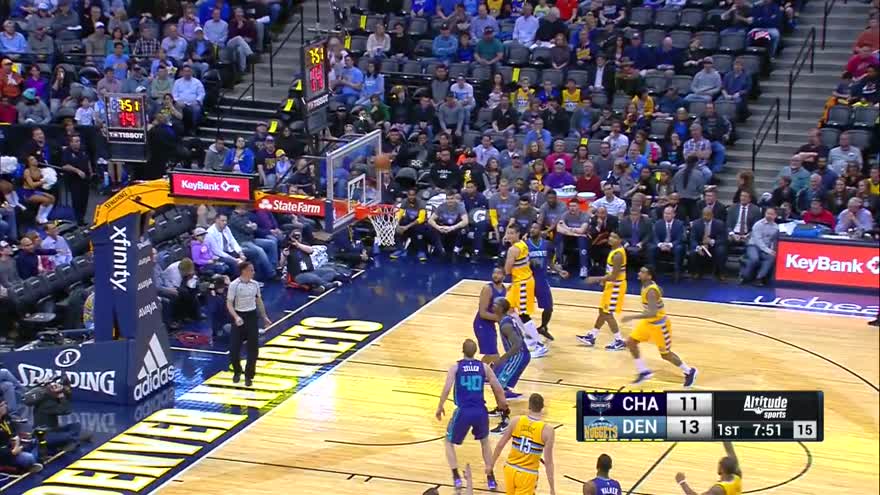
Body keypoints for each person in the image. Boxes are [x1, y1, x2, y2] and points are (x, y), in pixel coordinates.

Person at [435, 338, 507, 491]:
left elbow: (447, 388)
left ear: (462, 351)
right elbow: (498, 388)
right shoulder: (484, 367)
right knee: (485, 442)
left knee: (448, 442)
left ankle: (456, 477)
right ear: (475, 352)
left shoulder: (456, 367)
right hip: (480, 410)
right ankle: (491, 478)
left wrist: (440, 406)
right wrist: (503, 405)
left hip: (463, 411)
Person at [622, 266, 698, 386]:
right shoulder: (647, 285)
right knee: (631, 342)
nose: (639, 273)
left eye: (643, 272)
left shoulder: (651, 291)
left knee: (665, 355)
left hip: (660, 326)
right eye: (640, 271)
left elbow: (652, 313)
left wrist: (631, 317)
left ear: (649, 276)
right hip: (648, 323)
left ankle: (689, 371)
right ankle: (643, 371)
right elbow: (660, 291)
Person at [491, 393, 556, 495]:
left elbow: (500, 445)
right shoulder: (547, 430)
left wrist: (491, 465)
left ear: (529, 406)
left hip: (510, 469)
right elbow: (548, 462)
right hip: (527, 474)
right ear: (542, 407)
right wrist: (552, 488)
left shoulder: (516, 420)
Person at [503, 225, 547, 357]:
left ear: (518, 234)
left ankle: (539, 345)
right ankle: (529, 337)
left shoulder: (513, 249)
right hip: (519, 281)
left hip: (523, 282)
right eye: (508, 233)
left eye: (512, 233)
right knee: (508, 308)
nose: (509, 235)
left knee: (523, 314)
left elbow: (507, 270)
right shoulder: (523, 244)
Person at [226, 262, 272, 387]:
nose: (253, 272)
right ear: (244, 271)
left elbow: (259, 301)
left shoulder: (255, 284)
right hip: (239, 316)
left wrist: (264, 317)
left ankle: (249, 376)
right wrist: (236, 317)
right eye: (251, 270)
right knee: (234, 349)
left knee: (253, 349)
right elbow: (229, 303)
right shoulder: (234, 285)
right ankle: (237, 371)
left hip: (251, 316)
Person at [578, 232, 627, 351]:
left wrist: (595, 279)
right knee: (602, 310)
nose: (611, 239)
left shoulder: (618, 255)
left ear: (620, 240)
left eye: (614, 237)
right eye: (610, 236)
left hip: (616, 285)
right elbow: (610, 272)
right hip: (611, 284)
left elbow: (614, 276)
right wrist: (604, 281)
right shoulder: (613, 250)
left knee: (607, 313)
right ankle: (592, 335)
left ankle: (619, 340)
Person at [526, 222, 564, 341]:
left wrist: (559, 271)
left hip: (541, 280)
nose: (532, 230)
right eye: (531, 227)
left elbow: (550, 262)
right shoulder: (525, 245)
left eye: (535, 228)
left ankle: (543, 327)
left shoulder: (547, 244)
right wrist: (530, 263)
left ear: (541, 231)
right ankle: (528, 331)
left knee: (549, 307)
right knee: (524, 308)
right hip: (528, 279)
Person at [492, 297, 533, 404]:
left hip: (518, 355)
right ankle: (506, 391)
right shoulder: (507, 319)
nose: (492, 305)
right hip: (519, 354)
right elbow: (521, 335)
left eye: (495, 304)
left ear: (501, 309)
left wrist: (503, 358)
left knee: (498, 385)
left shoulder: (506, 325)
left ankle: (504, 401)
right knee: (497, 377)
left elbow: (517, 344)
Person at [676, 442, 741, 495]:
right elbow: (730, 452)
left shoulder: (718, 489)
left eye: (719, 463)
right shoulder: (737, 477)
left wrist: (682, 482)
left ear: (721, 469)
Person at [473, 267, 507, 365]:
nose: (495, 275)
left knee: (491, 356)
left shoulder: (504, 290)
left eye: (499, 273)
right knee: (494, 356)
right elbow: (482, 313)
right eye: (494, 273)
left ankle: (480, 371)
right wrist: (501, 319)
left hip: (490, 325)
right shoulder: (487, 289)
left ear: (504, 276)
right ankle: (480, 371)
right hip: (481, 324)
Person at [739, 207, 779, 286]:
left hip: (765, 248)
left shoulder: (776, 227)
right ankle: (744, 276)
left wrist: (772, 250)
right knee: (755, 259)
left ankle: (759, 278)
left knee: (771, 257)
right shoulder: (758, 225)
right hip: (753, 245)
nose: (769, 216)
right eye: (768, 213)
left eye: (771, 214)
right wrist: (768, 250)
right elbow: (758, 241)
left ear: (775, 216)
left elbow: (772, 240)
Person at [0, 399, 42, 473]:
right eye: (2, 405)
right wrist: (12, 452)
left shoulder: (6, 417)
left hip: (13, 445)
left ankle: (30, 464)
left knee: (36, 440)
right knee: (29, 458)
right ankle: (13, 467)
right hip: (5, 453)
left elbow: (12, 432)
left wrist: (21, 438)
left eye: (5, 404)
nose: (6, 406)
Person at [689, 207, 728, 280]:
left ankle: (721, 272)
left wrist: (711, 241)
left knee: (721, 250)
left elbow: (723, 239)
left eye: (707, 215)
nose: (705, 217)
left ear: (712, 215)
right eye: (704, 215)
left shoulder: (719, 224)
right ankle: (696, 272)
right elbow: (692, 239)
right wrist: (698, 247)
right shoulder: (696, 223)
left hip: (714, 245)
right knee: (693, 252)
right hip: (701, 245)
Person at [428, 191, 469, 258]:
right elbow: (430, 220)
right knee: (432, 228)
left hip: (455, 227)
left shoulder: (460, 206)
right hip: (444, 227)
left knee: (465, 229)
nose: (449, 201)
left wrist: (453, 227)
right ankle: (440, 249)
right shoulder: (441, 206)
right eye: (448, 199)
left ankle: (456, 250)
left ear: (455, 199)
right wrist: (438, 227)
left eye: (451, 199)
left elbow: (465, 221)